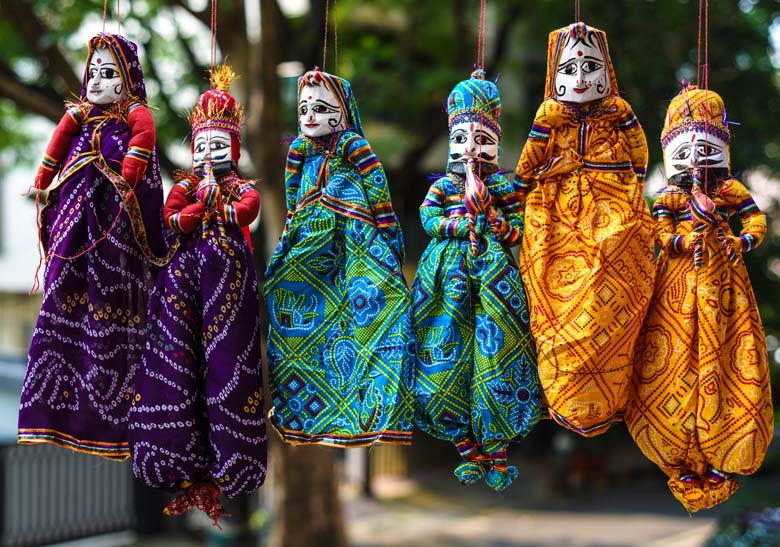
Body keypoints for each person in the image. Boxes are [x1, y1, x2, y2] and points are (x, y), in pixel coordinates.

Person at [18, 33, 168, 459]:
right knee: (64, 301)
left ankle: (115, 418)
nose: (98, 82)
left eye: (109, 74)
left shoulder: (133, 117)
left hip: (115, 241)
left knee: (112, 312)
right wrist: (43, 180)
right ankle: (55, 413)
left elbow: (144, 146)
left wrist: (130, 170)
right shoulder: (80, 118)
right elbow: (56, 149)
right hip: (72, 238)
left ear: (129, 80)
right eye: (94, 74)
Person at [128, 66, 265, 524]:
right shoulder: (188, 184)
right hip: (183, 277)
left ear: (234, 148)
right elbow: (170, 217)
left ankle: (230, 462)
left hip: (227, 276)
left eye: (218, 145)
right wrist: (197, 209)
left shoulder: (236, 184)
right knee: (175, 357)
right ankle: (178, 458)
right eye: (202, 145)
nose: (208, 152)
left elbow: (249, 209)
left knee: (227, 358)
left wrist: (215, 204)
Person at [626, 84, 773, 512]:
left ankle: (725, 447)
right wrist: (677, 243)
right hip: (676, 285)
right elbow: (658, 229)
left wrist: (742, 242)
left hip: (726, 287)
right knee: (667, 362)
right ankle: (679, 451)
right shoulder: (670, 195)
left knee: (732, 356)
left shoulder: (730, 192)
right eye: (687, 151)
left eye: (708, 148)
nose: (697, 160)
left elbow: (754, 220)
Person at [514, 22, 654, 436]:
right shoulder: (548, 117)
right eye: (569, 70)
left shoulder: (620, 113)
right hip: (553, 221)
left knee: (613, 310)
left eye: (591, 67)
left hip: (614, 209)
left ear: (608, 72)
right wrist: (513, 199)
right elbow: (527, 165)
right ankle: (561, 390)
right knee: (554, 313)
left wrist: (626, 190)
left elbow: (640, 157)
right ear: (552, 78)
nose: (580, 78)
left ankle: (611, 390)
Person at [264, 69, 414, 447]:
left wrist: (387, 228)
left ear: (344, 112)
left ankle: (375, 412)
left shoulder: (354, 145)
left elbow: (376, 184)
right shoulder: (298, 149)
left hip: (358, 235)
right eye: (303, 109)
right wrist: (290, 233)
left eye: (321, 108)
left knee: (380, 312)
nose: (310, 116)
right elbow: (292, 194)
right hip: (309, 239)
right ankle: (304, 413)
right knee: (292, 311)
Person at [413, 70, 541, 491]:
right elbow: (428, 217)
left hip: (495, 277)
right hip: (444, 277)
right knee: (441, 351)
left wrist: (493, 221)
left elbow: (521, 229)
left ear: (496, 142)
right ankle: (465, 445)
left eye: (482, 139)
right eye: (463, 139)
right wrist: (456, 224)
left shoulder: (501, 186)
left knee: (499, 350)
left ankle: (498, 447)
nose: (472, 148)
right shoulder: (446, 184)